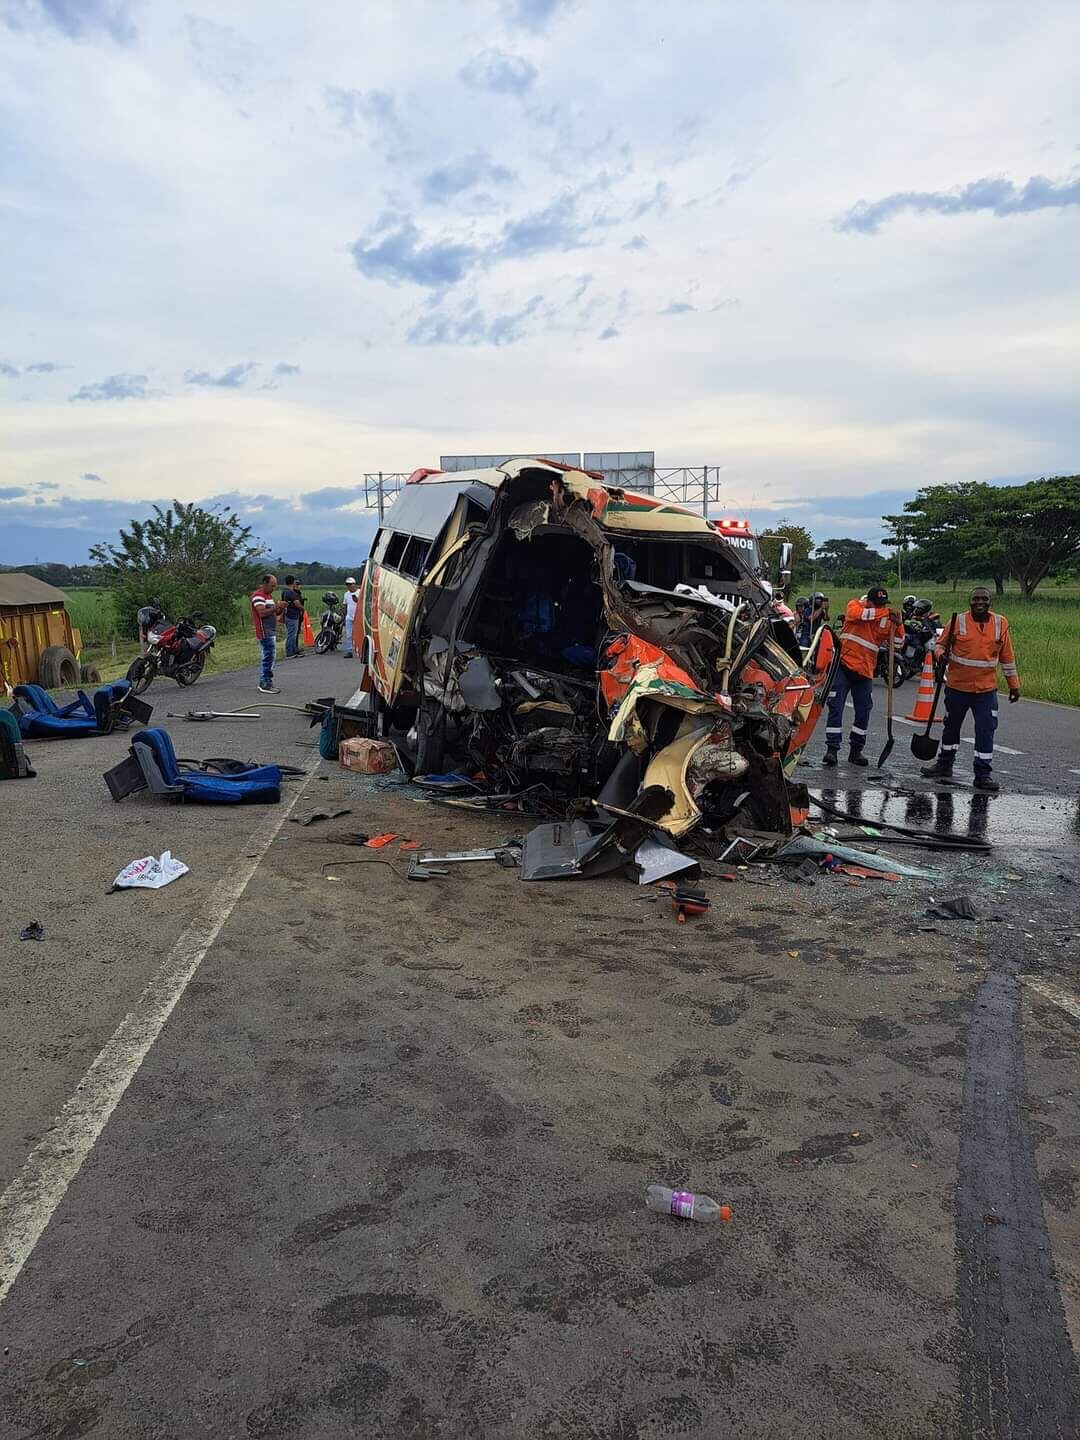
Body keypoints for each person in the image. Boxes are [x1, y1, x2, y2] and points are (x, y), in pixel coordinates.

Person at [920, 586, 1019, 793]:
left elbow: (1007, 657)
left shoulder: (1001, 623)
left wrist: (1014, 685)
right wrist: (940, 655)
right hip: (957, 688)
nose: (980, 602)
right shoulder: (957, 622)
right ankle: (944, 765)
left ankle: (983, 775)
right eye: (975, 599)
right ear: (970, 602)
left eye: (984, 599)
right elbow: (939, 645)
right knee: (951, 727)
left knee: (986, 729)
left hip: (986, 690)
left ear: (990, 602)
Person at [823, 585, 904, 767]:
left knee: (864, 711)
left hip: (865, 671)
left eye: (883, 604)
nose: (880, 608)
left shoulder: (886, 619)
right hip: (843, 666)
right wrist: (884, 612)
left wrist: (898, 625)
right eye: (877, 604)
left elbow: (898, 644)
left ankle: (856, 750)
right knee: (836, 706)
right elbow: (861, 615)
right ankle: (832, 749)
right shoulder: (855, 606)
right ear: (868, 601)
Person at [251, 573, 280, 694]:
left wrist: (280, 609)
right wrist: (276, 607)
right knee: (268, 656)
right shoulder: (258, 596)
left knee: (271, 656)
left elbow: (272, 613)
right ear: (265, 584)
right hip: (264, 631)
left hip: (271, 630)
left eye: (275, 586)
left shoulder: (268, 596)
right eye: (272, 586)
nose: (273, 588)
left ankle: (268, 680)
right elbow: (262, 613)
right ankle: (264, 682)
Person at [281, 574, 306, 659]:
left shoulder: (284, 592)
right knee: (292, 635)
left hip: (287, 615)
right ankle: (289, 653)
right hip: (293, 616)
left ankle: (294, 650)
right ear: (293, 582)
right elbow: (297, 604)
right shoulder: (292, 593)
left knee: (291, 634)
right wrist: (303, 609)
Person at [342, 576, 359, 658]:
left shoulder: (360, 592)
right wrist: (344, 616)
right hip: (349, 617)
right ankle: (349, 651)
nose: (349, 586)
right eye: (347, 584)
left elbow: (363, 603)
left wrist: (357, 600)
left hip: (358, 617)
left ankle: (360, 650)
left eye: (350, 584)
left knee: (359, 635)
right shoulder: (346, 594)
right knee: (349, 635)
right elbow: (345, 605)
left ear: (354, 584)